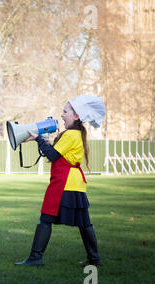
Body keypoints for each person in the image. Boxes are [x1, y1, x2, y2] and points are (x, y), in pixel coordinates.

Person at [15, 95, 106, 267]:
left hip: (64, 184)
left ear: (76, 116)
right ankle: (94, 259)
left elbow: (52, 155)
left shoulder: (71, 134)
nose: (62, 115)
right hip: (75, 185)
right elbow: (56, 153)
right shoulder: (75, 134)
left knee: (46, 219)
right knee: (84, 223)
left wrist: (38, 139)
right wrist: (42, 141)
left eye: (66, 112)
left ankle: (36, 258)